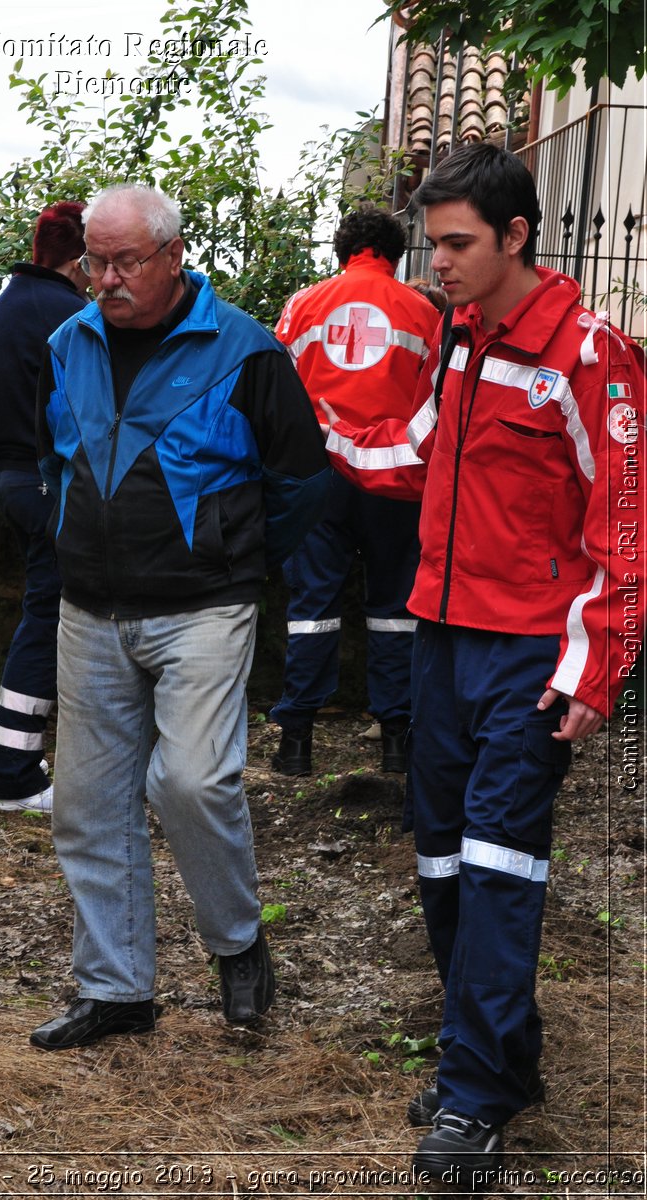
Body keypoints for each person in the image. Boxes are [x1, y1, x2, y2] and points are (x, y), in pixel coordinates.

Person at [322, 143, 646, 1185]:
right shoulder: (462, 341)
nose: (436, 265)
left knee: (500, 864)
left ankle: (469, 1099)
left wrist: (591, 674)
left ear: (513, 236)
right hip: (440, 640)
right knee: (441, 862)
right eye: (430, 242)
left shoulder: (587, 356)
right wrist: (303, 422)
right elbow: (408, 454)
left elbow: (627, 526)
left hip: (529, 658)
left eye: (456, 244)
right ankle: (494, 1061)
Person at [29, 183, 331, 1050]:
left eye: (127, 262)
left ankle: (237, 944)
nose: (107, 280)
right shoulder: (67, 342)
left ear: (173, 256)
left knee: (191, 780)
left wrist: (234, 552)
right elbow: (55, 457)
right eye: (95, 261)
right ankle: (116, 989)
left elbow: (303, 482)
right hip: (90, 608)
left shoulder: (245, 350)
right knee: (86, 806)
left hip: (203, 608)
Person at [269, 205, 440, 777]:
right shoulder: (422, 312)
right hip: (395, 478)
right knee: (395, 607)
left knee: (311, 607)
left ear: (341, 251)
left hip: (319, 477)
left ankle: (295, 743)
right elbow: (434, 405)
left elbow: (278, 392)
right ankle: (396, 740)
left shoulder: (302, 305)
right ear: (397, 253)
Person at [0, 202, 89, 813]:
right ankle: (11, 775)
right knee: (48, 621)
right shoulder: (66, 313)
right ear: (81, 260)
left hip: (10, 478)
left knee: (37, 612)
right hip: (47, 485)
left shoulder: (9, 304)